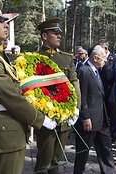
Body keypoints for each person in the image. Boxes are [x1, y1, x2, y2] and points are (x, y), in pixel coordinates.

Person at [0, 2, 56, 174]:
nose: (5, 24)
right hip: (4, 129)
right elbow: (11, 96)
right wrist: (40, 119)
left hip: (11, 127)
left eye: (5, 21)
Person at [35, 18, 81, 174]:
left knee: (57, 160)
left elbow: (74, 83)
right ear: (44, 36)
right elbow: (31, 90)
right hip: (46, 117)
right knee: (44, 160)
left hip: (64, 117)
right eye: (55, 33)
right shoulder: (34, 58)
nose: (59, 36)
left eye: (59, 33)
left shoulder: (66, 58)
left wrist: (76, 108)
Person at [74, 45, 115, 174]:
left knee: (106, 150)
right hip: (89, 121)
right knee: (83, 152)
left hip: (101, 119)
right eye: (103, 58)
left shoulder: (98, 71)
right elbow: (82, 97)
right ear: (96, 58)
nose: (105, 60)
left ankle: (108, 171)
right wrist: (85, 117)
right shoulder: (84, 71)